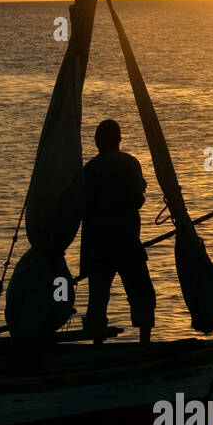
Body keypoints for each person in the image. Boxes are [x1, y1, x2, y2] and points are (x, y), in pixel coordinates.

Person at [81, 119, 156, 343]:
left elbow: (82, 207)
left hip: (99, 244)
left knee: (98, 297)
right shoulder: (129, 163)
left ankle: (96, 345)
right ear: (119, 139)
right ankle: (145, 343)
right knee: (141, 292)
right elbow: (137, 199)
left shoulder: (90, 168)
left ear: (98, 142)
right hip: (125, 241)